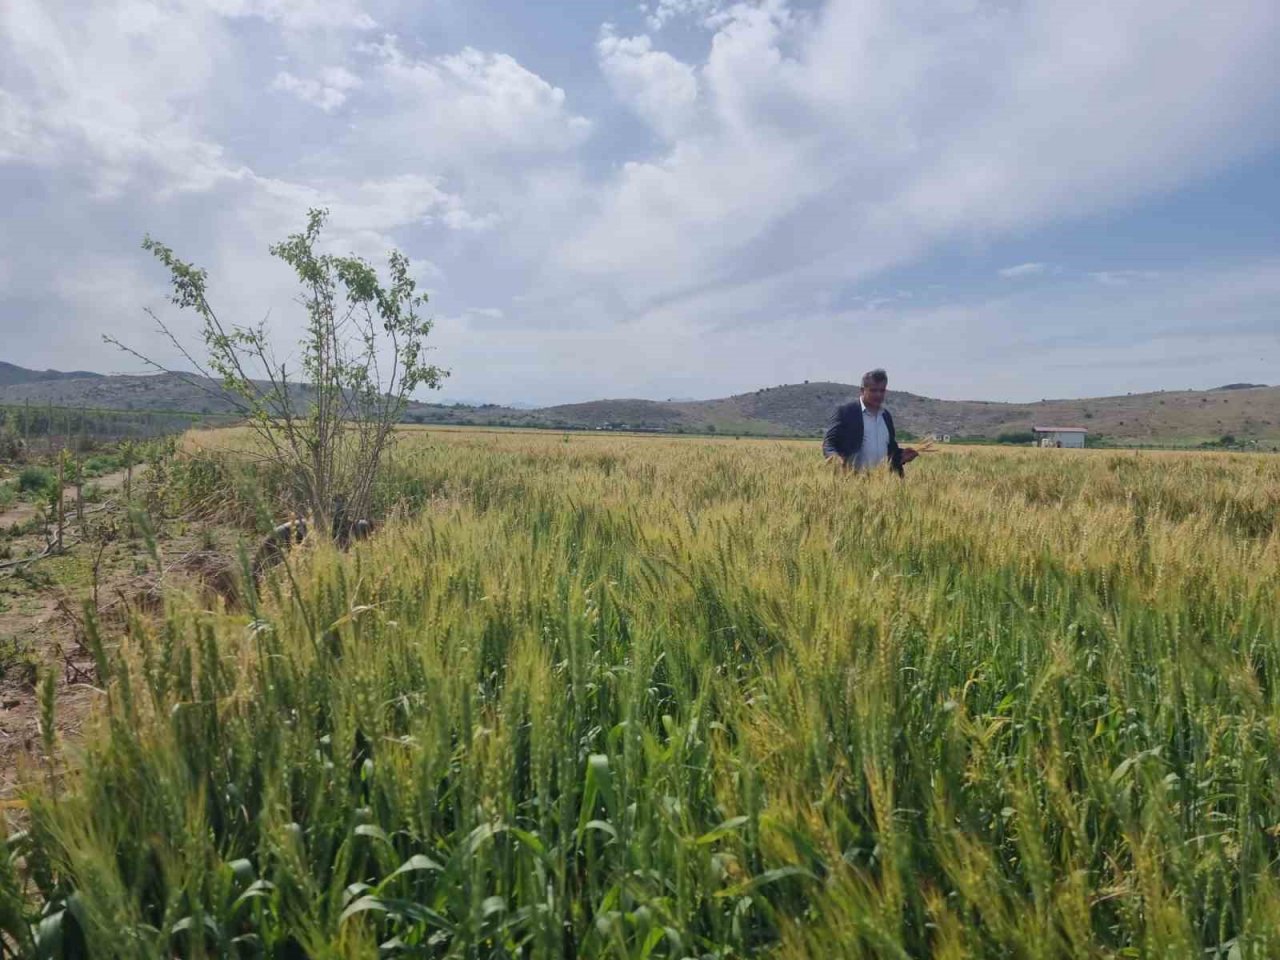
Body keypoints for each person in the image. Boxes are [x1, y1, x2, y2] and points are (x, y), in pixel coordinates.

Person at [822, 368, 919, 475]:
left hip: (882, 482)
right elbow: (829, 444)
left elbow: (890, 450)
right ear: (862, 390)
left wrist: (901, 455)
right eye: (873, 390)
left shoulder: (886, 416)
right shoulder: (845, 412)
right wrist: (834, 458)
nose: (878, 395)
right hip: (852, 481)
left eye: (882, 390)